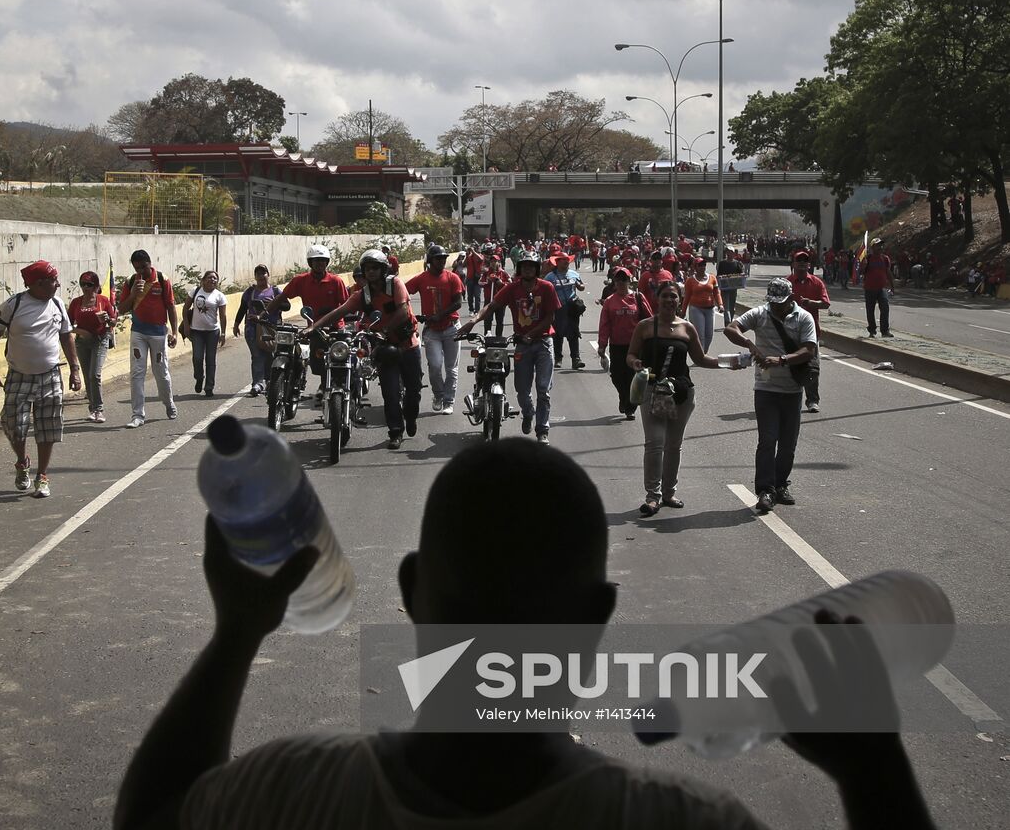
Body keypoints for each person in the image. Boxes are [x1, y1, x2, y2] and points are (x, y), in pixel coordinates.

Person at [116, 440, 939, 830]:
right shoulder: (679, 821)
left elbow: (152, 813)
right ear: (596, 618)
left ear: (412, 591)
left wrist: (236, 634)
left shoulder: (290, 791)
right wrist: (873, 772)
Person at [626, 282, 727, 516]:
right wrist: (635, 363)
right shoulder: (645, 326)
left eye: (674, 296)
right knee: (654, 442)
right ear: (657, 299)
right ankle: (652, 496)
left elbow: (701, 359)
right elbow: (630, 354)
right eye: (665, 296)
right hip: (653, 391)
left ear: (680, 300)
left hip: (681, 393)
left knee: (673, 444)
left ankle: (669, 493)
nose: (669, 300)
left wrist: (728, 363)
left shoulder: (687, 328)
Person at [0, 260, 81, 499]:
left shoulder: (57, 304)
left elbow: (66, 336)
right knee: (14, 426)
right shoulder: (13, 305)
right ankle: (22, 461)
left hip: (50, 375)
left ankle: (42, 475)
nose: (57, 284)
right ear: (38, 284)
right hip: (19, 376)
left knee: (48, 427)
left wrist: (75, 369)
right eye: (53, 280)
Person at [723, 278, 818, 514]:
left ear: (790, 299)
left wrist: (782, 360)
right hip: (765, 389)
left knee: (788, 444)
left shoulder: (803, 317)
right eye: (773, 303)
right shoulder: (760, 313)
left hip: (792, 390)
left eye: (781, 303)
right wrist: (749, 343)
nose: (776, 307)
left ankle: (780, 484)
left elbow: (809, 349)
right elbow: (730, 328)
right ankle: (765, 489)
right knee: (767, 440)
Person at [312, 250, 422, 450]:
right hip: (385, 349)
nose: (371, 272)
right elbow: (339, 311)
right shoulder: (362, 295)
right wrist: (313, 327)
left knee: (413, 392)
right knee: (390, 393)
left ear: (383, 269)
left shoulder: (395, 284)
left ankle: (411, 416)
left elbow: (403, 311)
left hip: (408, 345)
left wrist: (385, 330)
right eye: (367, 269)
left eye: (375, 268)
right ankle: (395, 432)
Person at [459, 251, 559, 444]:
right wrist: (473, 321)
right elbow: (491, 306)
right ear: (520, 268)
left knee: (543, 390)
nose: (528, 269)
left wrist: (531, 334)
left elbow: (550, 318)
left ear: (537, 268)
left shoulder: (547, 287)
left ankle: (542, 430)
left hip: (543, 343)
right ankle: (528, 413)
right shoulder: (512, 289)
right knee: (522, 390)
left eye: (531, 266)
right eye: (524, 266)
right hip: (522, 345)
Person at [276, 244, 350, 397]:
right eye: (316, 261)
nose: (320, 263)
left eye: (323, 260)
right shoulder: (300, 280)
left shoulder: (336, 281)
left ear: (327, 262)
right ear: (310, 263)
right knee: (317, 361)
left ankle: (338, 386)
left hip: (336, 328)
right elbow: (281, 297)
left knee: (339, 359)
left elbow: (347, 304)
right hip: (315, 329)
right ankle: (322, 383)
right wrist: (263, 314)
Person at [118, 249, 180, 428]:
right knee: (137, 373)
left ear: (150, 263)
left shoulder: (162, 279)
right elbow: (121, 309)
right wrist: (133, 294)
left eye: (143, 267)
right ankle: (137, 415)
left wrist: (174, 332)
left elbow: (171, 306)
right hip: (138, 333)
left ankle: (168, 402)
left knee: (161, 372)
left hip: (159, 334)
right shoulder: (131, 282)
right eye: (137, 268)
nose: (141, 271)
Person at [406, 244, 464, 414]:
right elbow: (403, 293)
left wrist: (440, 315)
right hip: (432, 330)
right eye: (438, 258)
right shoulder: (421, 278)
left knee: (451, 369)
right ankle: (438, 395)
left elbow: (458, 302)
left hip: (452, 328)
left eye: (444, 258)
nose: (442, 261)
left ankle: (449, 401)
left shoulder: (452, 278)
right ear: (430, 260)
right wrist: (411, 315)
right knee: (435, 366)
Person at [597, 267, 652, 420]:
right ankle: (623, 397)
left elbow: (649, 319)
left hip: (636, 346)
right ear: (614, 282)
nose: (621, 283)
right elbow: (604, 324)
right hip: (617, 345)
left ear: (629, 281)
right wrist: (602, 345)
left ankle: (630, 407)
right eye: (618, 280)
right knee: (616, 376)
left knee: (633, 376)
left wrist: (653, 339)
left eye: (624, 280)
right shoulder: (609, 301)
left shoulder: (638, 297)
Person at [67, 270, 117, 423]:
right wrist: (80, 331)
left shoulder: (103, 301)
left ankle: (99, 409)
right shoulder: (76, 303)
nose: (85, 288)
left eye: (89, 285)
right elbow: (66, 325)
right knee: (88, 376)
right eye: (83, 284)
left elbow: (113, 321)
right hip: (82, 342)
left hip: (100, 340)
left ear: (96, 286)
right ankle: (92, 408)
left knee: (95, 375)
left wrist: (107, 319)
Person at [788, 251, 830, 413]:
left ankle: (812, 400)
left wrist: (811, 303)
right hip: (790, 333)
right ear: (793, 264)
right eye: (799, 261)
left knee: (812, 368)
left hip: (811, 333)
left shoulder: (817, 283)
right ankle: (791, 399)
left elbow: (826, 304)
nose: (802, 264)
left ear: (809, 265)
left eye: (805, 261)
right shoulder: (786, 283)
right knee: (789, 367)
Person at [232, 265, 281, 397]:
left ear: (268, 275)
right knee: (257, 355)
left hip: (271, 329)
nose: (261, 276)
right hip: (252, 329)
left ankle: (270, 381)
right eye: (258, 274)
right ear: (255, 276)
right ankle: (258, 384)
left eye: (263, 273)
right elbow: (242, 308)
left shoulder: (276, 291)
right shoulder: (250, 292)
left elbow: (286, 305)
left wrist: (273, 303)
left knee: (270, 355)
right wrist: (236, 325)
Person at [182, 270, 227, 397]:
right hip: (196, 331)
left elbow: (223, 317)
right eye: (210, 277)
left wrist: (223, 333)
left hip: (213, 332)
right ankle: (199, 377)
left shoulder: (219, 296)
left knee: (210, 359)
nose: (212, 280)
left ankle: (209, 387)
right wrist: (186, 326)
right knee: (197, 358)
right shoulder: (195, 291)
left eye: (215, 278)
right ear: (203, 280)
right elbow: (185, 309)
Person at [545, 252, 587, 370]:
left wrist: (580, 285)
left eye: (567, 260)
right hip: (557, 309)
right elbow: (544, 291)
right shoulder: (550, 277)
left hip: (572, 308)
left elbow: (581, 287)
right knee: (557, 333)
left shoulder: (574, 274)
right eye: (563, 260)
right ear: (557, 262)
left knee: (573, 333)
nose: (566, 262)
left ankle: (576, 359)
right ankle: (558, 358)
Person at [680, 255, 724, 352]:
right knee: (700, 335)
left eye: (704, 265)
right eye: (700, 265)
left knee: (709, 335)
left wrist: (720, 304)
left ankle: (703, 353)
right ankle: (701, 356)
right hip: (696, 309)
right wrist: (683, 312)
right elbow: (686, 297)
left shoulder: (712, 278)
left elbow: (716, 293)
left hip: (710, 309)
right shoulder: (690, 280)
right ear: (695, 267)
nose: (702, 267)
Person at [859, 238, 895, 338]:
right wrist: (864, 265)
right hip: (870, 288)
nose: (880, 247)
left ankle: (885, 331)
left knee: (885, 308)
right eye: (877, 245)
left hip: (882, 288)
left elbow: (888, 272)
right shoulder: (868, 258)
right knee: (870, 310)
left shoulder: (885, 258)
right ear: (872, 247)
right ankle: (872, 330)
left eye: (881, 245)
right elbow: (861, 272)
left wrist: (892, 285)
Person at [478, 254, 508, 335]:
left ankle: (499, 337)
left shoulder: (503, 273)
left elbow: (510, 285)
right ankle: (487, 336)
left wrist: (501, 283)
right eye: (491, 261)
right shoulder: (486, 273)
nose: (493, 263)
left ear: (499, 262)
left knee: (500, 320)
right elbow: (480, 282)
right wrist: (488, 282)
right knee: (487, 319)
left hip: (500, 301)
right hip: (489, 300)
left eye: (495, 261)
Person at [463, 243, 484, 313]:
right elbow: (463, 264)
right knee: (470, 296)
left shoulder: (480, 255)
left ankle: (477, 310)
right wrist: (467, 255)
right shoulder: (469, 257)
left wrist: (473, 252)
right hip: (470, 279)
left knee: (477, 296)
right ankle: (471, 309)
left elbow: (481, 259)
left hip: (477, 279)